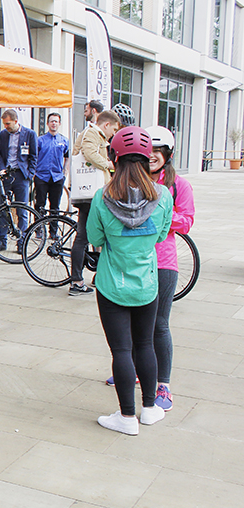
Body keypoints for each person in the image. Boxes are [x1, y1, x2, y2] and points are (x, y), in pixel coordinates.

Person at [87, 126, 172, 435]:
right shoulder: (162, 197)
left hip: (112, 285)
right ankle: (149, 409)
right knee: (145, 344)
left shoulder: (102, 197)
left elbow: (95, 237)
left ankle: (126, 417)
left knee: (122, 351)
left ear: (114, 157)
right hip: (148, 283)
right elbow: (161, 235)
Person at [145, 125, 194, 411]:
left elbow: (186, 221)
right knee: (133, 324)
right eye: (148, 151)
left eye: (158, 151)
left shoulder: (179, 185)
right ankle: (137, 371)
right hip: (133, 261)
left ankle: (164, 385)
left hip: (163, 262)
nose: (152, 155)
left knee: (159, 324)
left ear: (168, 154)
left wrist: (159, 213)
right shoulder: (132, 179)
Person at [70, 110, 120, 296]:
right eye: (113, 129)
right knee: (84, 236)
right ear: (106, 125)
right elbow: (89, 154)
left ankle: (95, 275)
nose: (113, 134)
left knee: (93, 235)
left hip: (93, 194)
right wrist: (109, 164)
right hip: (89, 195)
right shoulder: (92, 133)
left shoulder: (94, 134)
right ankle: (76, 281)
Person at [0, 108, 38, 252]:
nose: (6, 127)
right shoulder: (3, 134)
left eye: (8, 124)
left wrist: (30, 174)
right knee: (3, 208)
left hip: (21, 175)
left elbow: (34, 156)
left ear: (16, 121)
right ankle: (2, 240)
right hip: (6, 174)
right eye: (4, 124)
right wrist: (1, 168)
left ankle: (22, 241)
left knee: (21, 209)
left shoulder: (29, 134)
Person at [33, 112, 69, 227]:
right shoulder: (40, 140)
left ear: (59, 124)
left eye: (56, 121)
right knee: (40, 204)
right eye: (52, 121)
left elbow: (67, 157)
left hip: (57, 177)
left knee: (55, 206)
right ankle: (38, 229)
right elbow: (34, 157)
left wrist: (65, 172)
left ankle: (53, 232)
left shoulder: (64, 141)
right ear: (48, 124)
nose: (54, 123)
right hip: (42, 176)